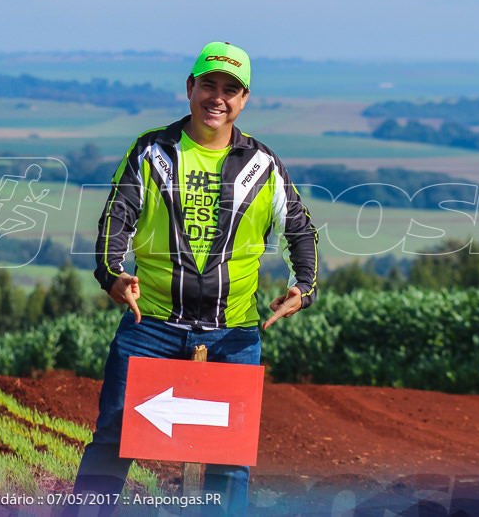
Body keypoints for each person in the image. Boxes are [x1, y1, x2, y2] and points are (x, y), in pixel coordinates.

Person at [70, 42, 319, 515]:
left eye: (231, 89)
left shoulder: (263, 165)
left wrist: (301, 289)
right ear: (190, 88)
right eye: (209, 85)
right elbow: (115, 220)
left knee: (229, 461)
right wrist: (113, 275)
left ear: (244, 100)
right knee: (112, 439)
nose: (217, 97)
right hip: (151, 328)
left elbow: (300, 231)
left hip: (235, 334)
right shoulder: (151, 151)